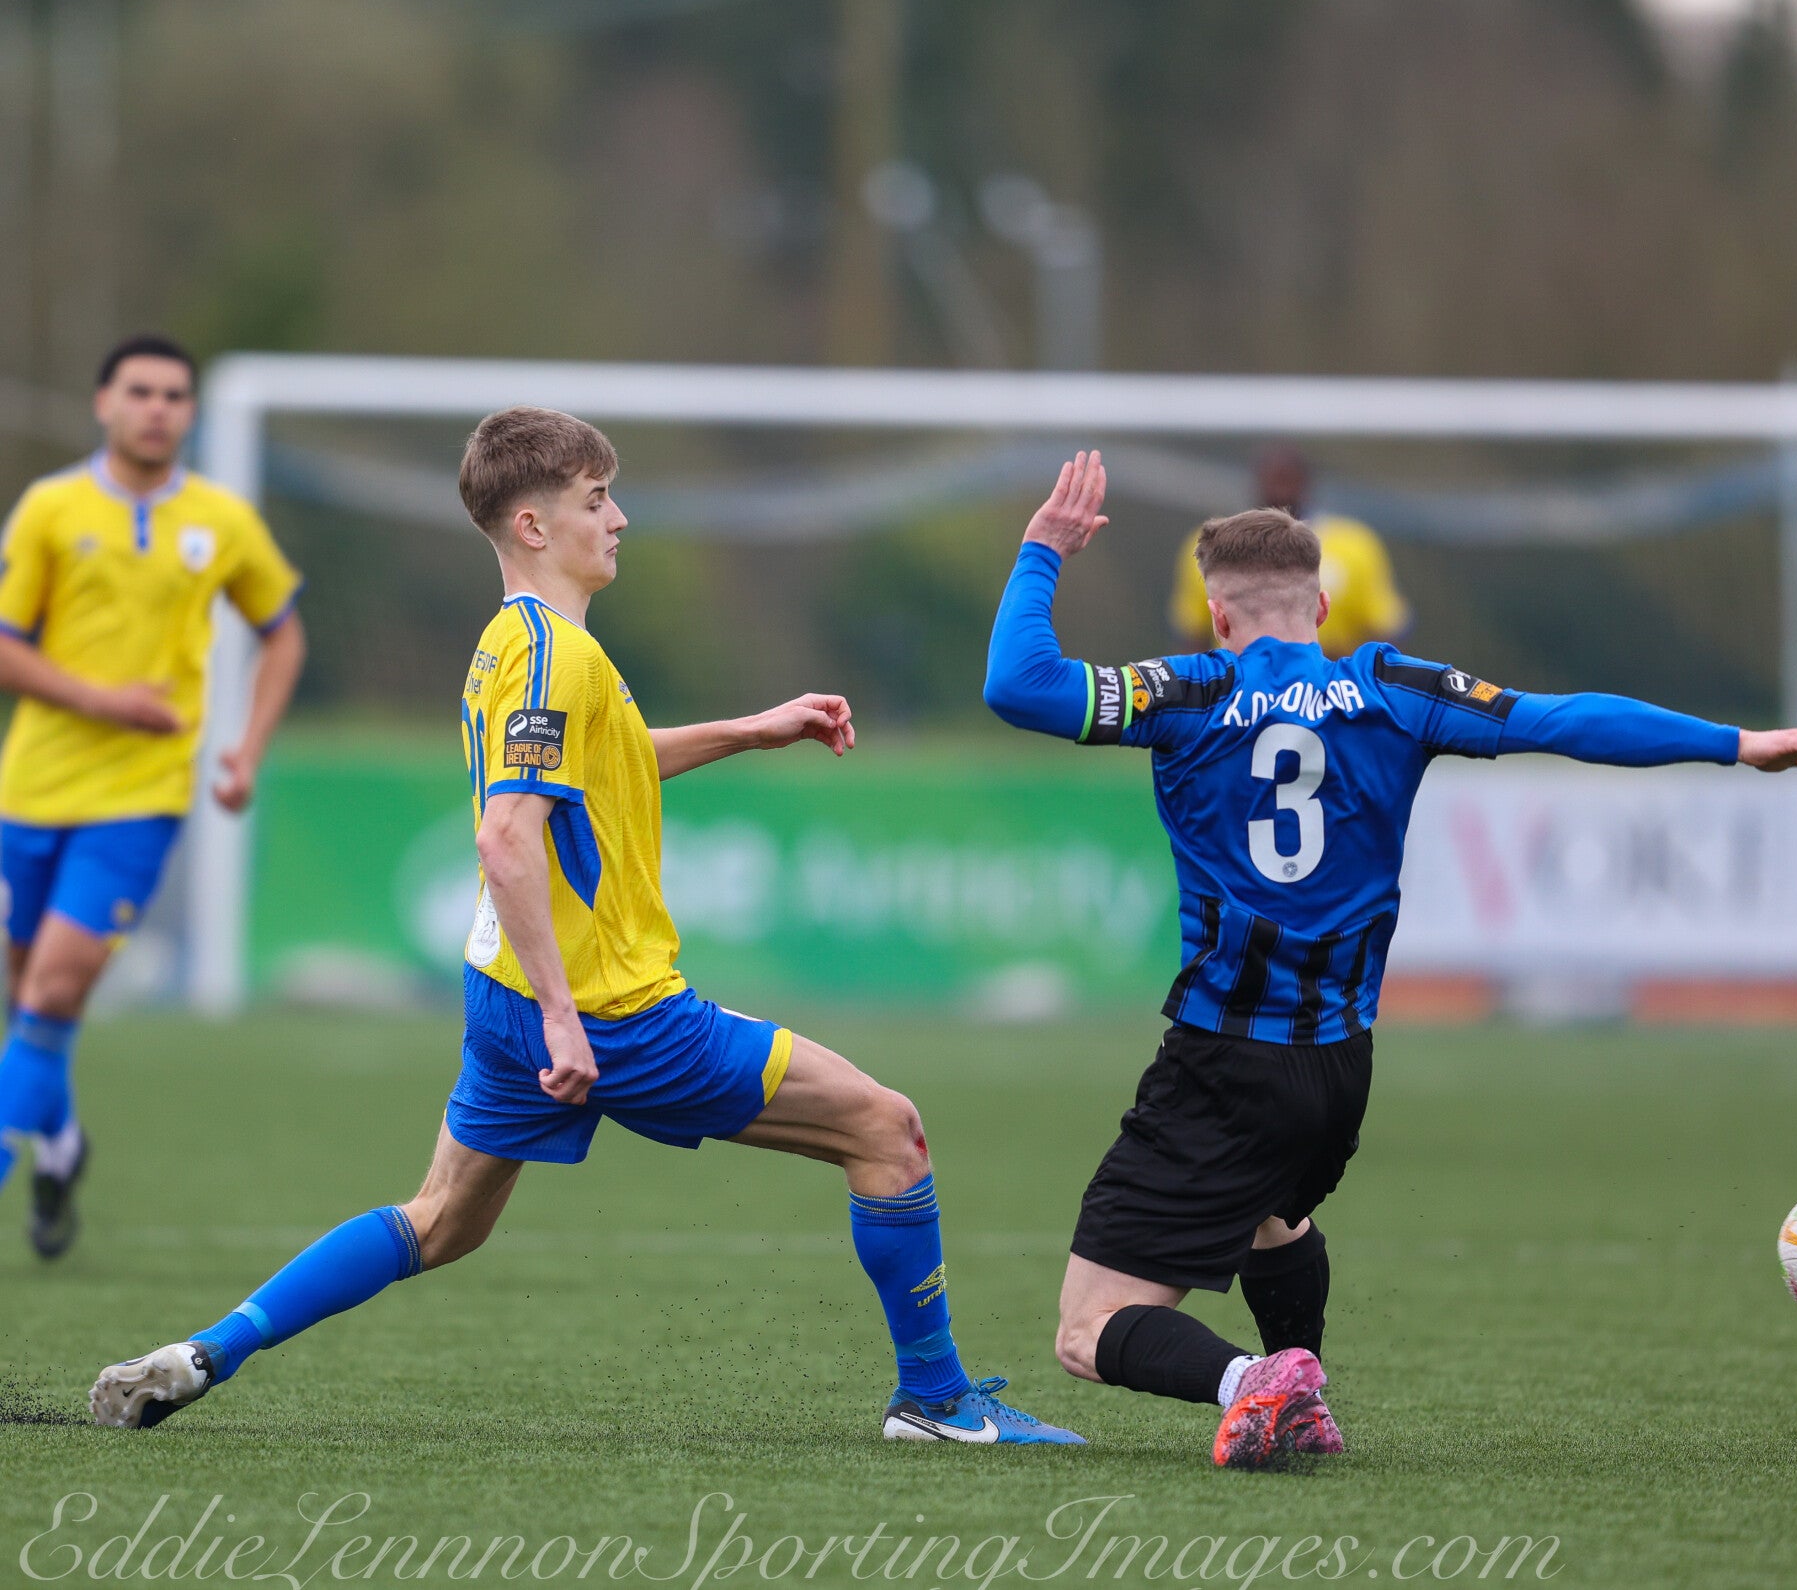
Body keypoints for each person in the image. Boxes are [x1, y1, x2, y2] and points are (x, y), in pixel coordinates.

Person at [90, 407, 1081, 1447]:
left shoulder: (511, 642)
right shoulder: (555, 654)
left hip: (505, 991)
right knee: (887, 1130)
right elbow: (506, 837)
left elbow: (602, 759)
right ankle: (936, 1400)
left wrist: (752, 729)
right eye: (597, 499)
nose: (619, 519)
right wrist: (569, 1018)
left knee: (440, 1219)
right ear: (533, 524)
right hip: (608, 1010)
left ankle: (209, 1350)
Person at [986, 450, 1797, 1472]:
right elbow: (1561, 719)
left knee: (1087, 1329)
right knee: (1271, 1214)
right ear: (1323, 606)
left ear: (1218, 617)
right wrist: (1735, 742)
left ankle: (1254, 1382)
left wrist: (1043, 549)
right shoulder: (1394, 689)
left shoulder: (1186, 692)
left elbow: (1019, 685)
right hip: (1338, 1065)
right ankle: (1302, 1392)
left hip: (1225, 1056)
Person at [0, 334, 306, 1258]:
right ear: (104, 403)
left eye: (175, 395)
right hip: (31, 790)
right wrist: (104, 701)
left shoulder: (222, 519)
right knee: (28, 1001)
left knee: (55, 987)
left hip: (141, 798)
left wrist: (247, 748)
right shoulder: (51, 508)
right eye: (139, 391)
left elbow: (283, 633)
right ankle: (60, 1143)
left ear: (191, 414)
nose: (157, 408)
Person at [1169, 445, 1407, 657]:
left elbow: (1385, 629)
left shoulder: (1353, 544)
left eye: (1288, 479)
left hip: (1327, 685)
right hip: (1239, 686)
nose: (1281, 489)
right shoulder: (1214, 544)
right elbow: (1193, 633)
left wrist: (1348, 677)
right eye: (1273, 479)